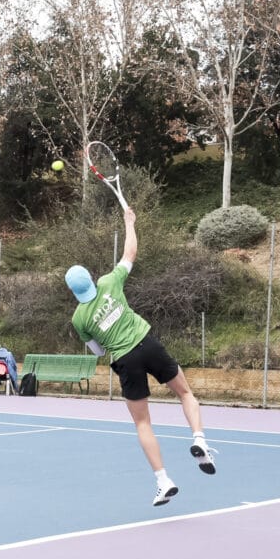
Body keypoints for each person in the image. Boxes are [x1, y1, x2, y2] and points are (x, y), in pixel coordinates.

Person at [65, 207, 216, 507]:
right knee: (185, 393)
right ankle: (199, 439)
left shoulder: (79, 319)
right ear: (92, 280)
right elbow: (130, 252)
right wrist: (129, 222)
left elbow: (98, 351)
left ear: (73, 291)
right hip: (148, 343)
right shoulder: (109, 282)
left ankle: (163, 480)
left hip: (125, 361)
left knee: (143, 423)